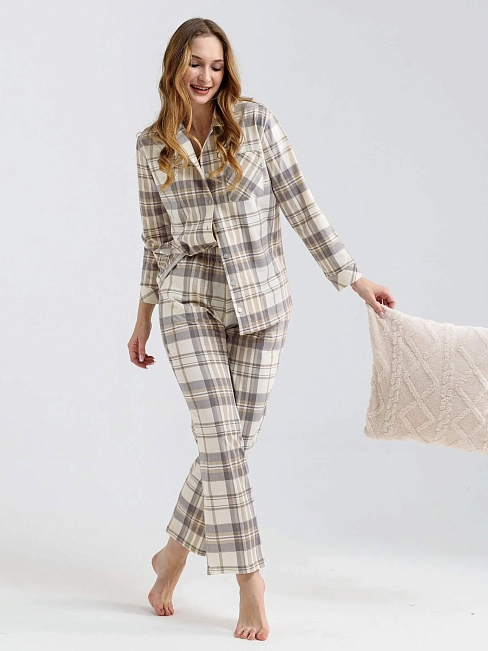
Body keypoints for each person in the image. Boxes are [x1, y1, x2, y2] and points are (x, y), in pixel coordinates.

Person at [127, 17, 396, 642]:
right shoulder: (149, 147)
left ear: (227, 72)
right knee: (219, 437)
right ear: (174, 65)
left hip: (262, 302)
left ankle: (171, 556)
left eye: (216, 66)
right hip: (188, 298)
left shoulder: (257, 124)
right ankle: (251, 583)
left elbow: (300, 204)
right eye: (195, 63)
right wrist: (143, 315)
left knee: (231, 443)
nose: (205, 76)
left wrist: (353, 277)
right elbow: (154, 238)